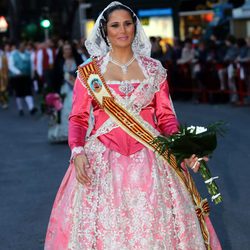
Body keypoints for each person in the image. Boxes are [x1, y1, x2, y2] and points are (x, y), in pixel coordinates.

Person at [44, 2, 221, 249]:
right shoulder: (89, 72)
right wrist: (77, 151)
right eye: (115, 25)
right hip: (102, 160)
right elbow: (78, 118)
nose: (122, 30)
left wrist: (184, 146)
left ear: (135, 27)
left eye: (128, 24)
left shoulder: (154, 70)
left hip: (151, 159)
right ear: (105, 31)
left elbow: (166, 117)